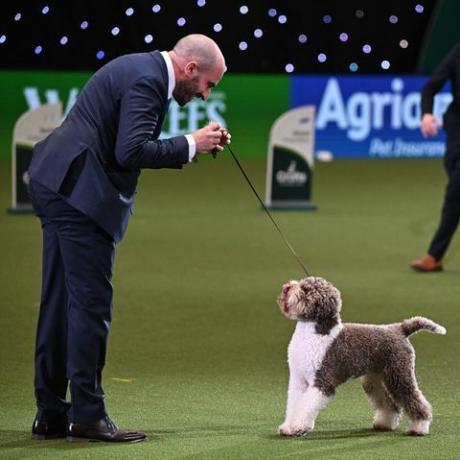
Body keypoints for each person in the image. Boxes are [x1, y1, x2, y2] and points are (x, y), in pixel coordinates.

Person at [28, 34, 231, 442]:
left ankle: (51, 413)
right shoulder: (147, 81)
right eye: (209, 84)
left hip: (58, 182)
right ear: (190, 69)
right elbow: (131, 151)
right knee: (89, 306)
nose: (207, 96)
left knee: (59, 303)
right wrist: (193, 143)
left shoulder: (141, 67)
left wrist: (192, 144)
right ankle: (87, 414)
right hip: (79, 195)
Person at [410, 43, 460, 272]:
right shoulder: (458, 51)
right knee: (454, 175)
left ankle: (433, 256)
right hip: (457, 125)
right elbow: (430, 87)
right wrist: (427, 114)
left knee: (456, 188)